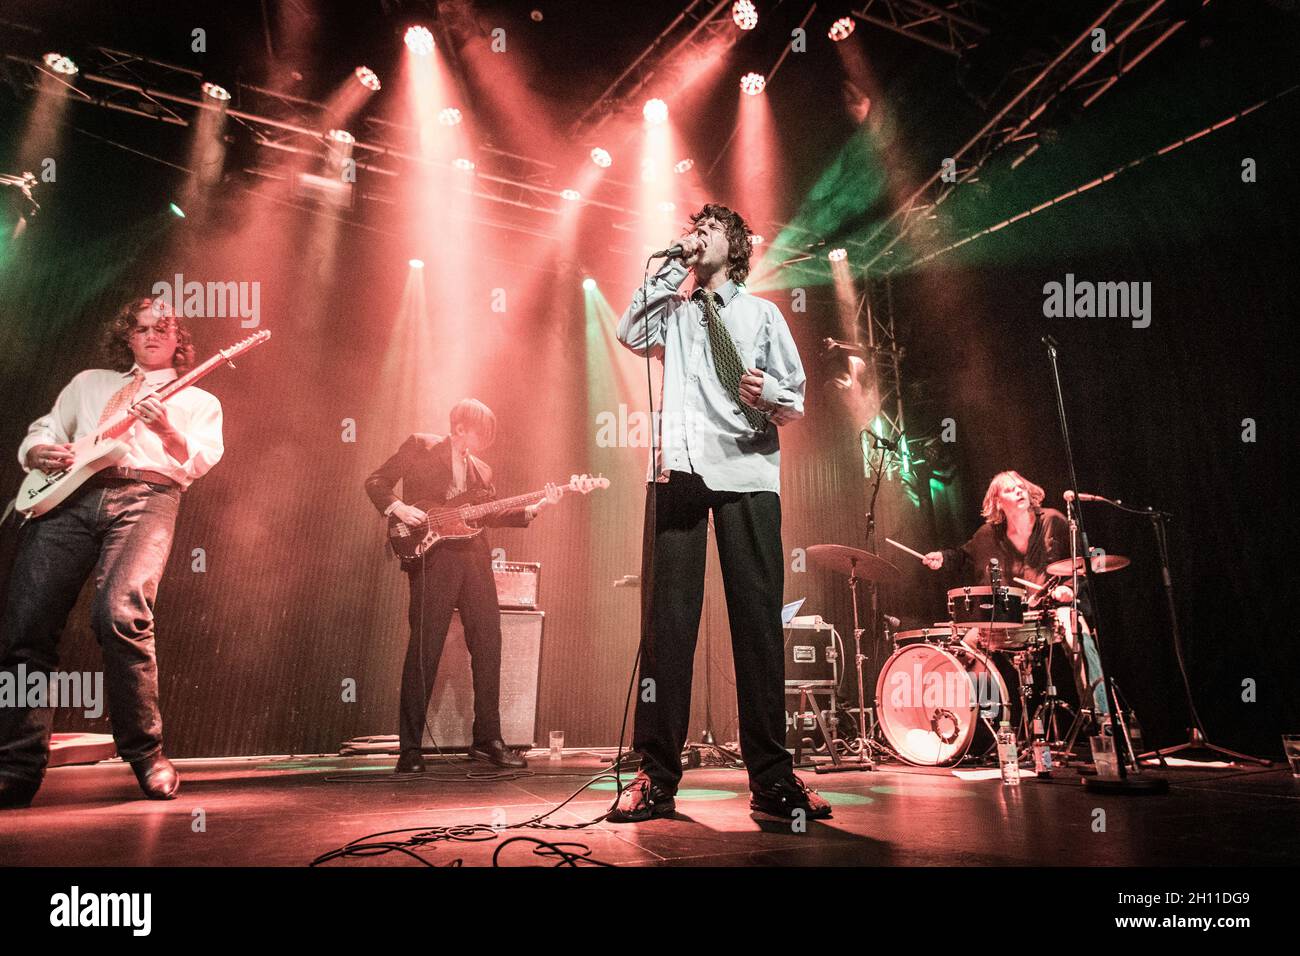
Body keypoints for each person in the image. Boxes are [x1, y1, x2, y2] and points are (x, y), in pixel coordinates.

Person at [610, 202, 830, 823]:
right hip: (678, 469)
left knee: (756, 626)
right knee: (667, 627)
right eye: (692, 229)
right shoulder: (674, 307)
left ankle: (772, 778)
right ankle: (655, 775)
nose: (695, 236)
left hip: (747, 473)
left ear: (733, 246)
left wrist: (772, 394)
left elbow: (797, 396)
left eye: (707, 230)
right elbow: (629, 333)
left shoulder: (762, 314)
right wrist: (665, 270)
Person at [0, 298, 224, 808]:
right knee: (26, 626)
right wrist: (36, 452)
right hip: (70, 496)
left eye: (162, 328)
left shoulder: (200, 399)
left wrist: (166, 428)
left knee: (120, 612)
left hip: (147, 495)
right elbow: (44, 432)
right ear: (127, 336)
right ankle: (16, 764)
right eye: (141, 328)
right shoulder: (90, 383)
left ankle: (147, 754)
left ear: (178, 339)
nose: (150, 335)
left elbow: (200, 460)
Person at [364, 399, 558, 773]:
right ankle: (410, 749)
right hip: (433, 557)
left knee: (489, 642)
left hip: (474, 557)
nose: (484, 440)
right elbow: (377, 481)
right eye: (479, 432)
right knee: (425, 646)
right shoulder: (421, 445)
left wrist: (538, 506)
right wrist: (399, 509)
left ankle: (488, 740)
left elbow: (493, 513)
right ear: (460, 428)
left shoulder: (482, 469)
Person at [922, 470, 1110, 716]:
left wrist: (1068, 588)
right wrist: (941, 558)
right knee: (966, 648)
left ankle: (1101, 718)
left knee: (1078, 633)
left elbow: (1082, 562)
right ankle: (985, 721)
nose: (1019, 491)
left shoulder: (1054, 521)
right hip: (1008, 616)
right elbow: (962, 556)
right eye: (1010, 489)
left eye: (1021, 486)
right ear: (998, 502)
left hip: (1052, 611)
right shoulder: (987, 534)